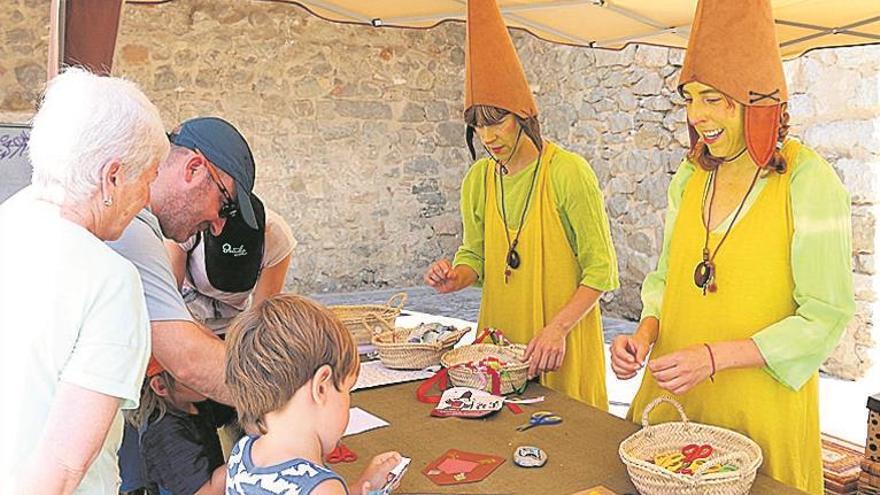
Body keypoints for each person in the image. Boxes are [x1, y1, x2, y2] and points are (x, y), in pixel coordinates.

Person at [609, 1, 855, 492]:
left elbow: (825, 315)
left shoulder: (809, 181)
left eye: (714, 99)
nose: (697, 115)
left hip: (758, 419)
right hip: (676, 409)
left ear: (758, 104)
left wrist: (716, 357)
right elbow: (666, 279)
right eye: (690, 98)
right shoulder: (690, 175)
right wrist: (644, 332)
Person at [424, 0, 618, 408]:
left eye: (497, 122)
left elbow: (601, 271)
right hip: (497, 345)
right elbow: (474, 257)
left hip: (558, 344)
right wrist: (454, 277)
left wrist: (557, 329)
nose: (488, 137)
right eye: (478, 126)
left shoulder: (567, 172)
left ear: (523, 115)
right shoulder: (479, 178)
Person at [0, 67, 168, 494]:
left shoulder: (9, 221)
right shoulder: (110, 282)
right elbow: (62, 465)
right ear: (112, 177)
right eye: (148, 178)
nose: (148, 197)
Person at [110, 116, 260, 492]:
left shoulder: (133, 220)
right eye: (225, 205)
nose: (218, 226)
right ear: (194, 169)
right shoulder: (131, 227)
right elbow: (187, 358)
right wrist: (283, 401)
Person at [224, 294, 401, 495]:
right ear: (321, 388)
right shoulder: (321, 488)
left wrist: (360, 487)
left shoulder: (242, 453)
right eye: (347, 390)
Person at [165, 192, 295, 337]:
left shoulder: (276, 238)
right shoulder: (190, 224)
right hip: (187, 308)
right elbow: (168, 302)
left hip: (233, 319)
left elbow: (260, 319)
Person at [126, 358, 226, 495]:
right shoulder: (164, 433)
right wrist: (248, 456)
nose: (204, 374)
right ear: (161, 386)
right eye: (191, 373)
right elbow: (203, 492)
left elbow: (228, 412)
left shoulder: (194, 400)